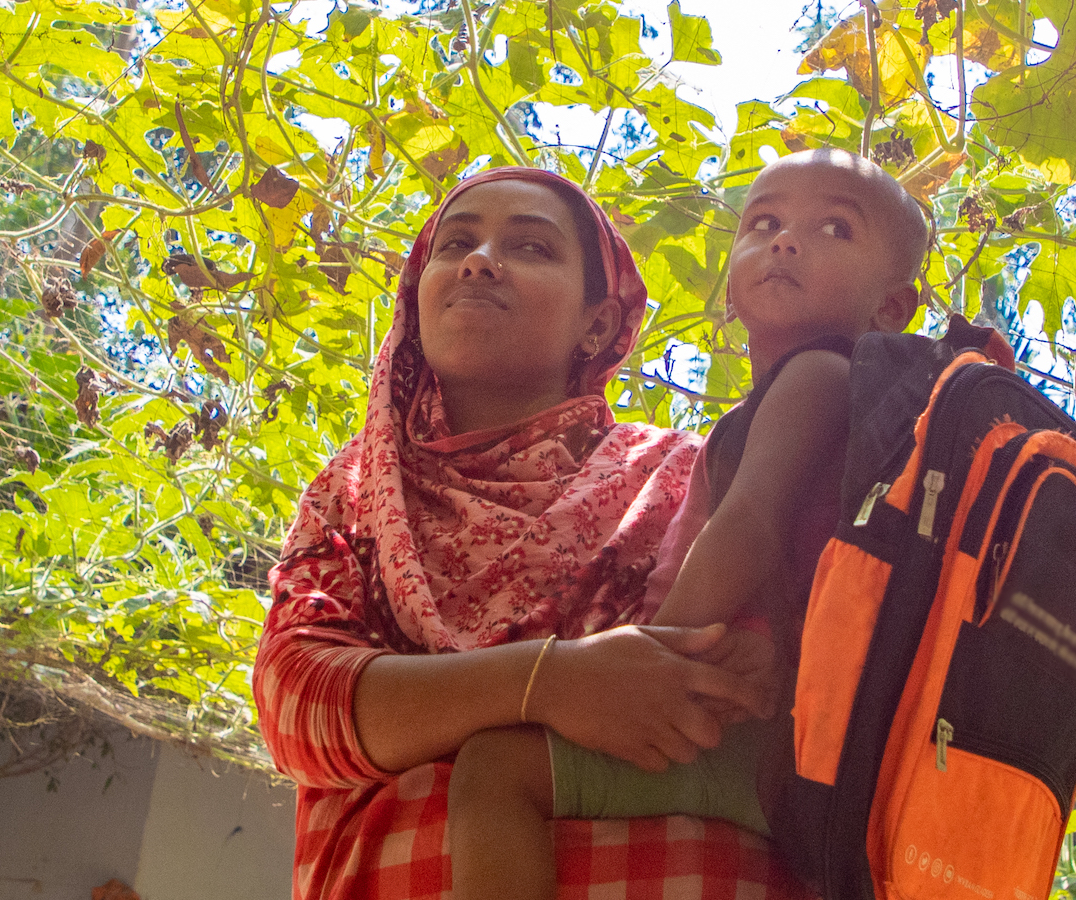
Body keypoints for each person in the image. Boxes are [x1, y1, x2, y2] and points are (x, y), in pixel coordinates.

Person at [253, 167, 806, 900]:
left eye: (532, 247)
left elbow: (761, 688)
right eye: (455, 244)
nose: (479, 261)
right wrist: (551, 682)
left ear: (599, 324)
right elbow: (297, 708)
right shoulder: (358, 493)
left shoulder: (686, 473)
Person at [446, 148, 931, 900]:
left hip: (745, 728)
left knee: (492, 771)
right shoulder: (797, 397)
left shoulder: (820, 376)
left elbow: (752, 527)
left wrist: (650, 659)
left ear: (893, 309)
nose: (786, 241)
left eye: (835, 228)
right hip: (771, 726)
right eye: (764, 222)